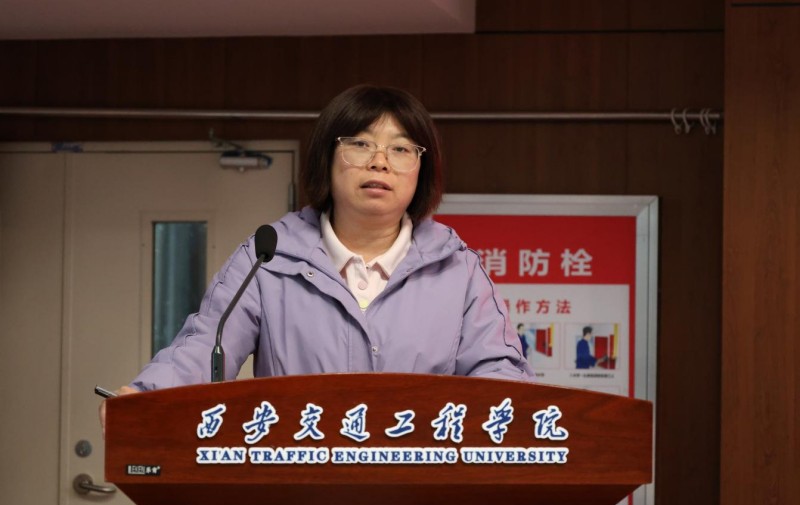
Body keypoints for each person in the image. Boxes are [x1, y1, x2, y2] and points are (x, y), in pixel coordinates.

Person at [101, 84, 532, 429]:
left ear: (422, 170)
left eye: (401, 149)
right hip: (294, 484)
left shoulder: (456, 268)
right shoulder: (269, 256)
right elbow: (206, 346)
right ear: (327, 157)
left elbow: (499, 372)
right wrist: (146, 396)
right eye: (360, 144)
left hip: (421, 486)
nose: (380, 162)